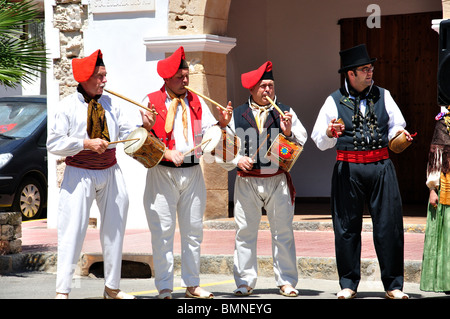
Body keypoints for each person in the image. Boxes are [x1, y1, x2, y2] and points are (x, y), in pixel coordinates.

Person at [47, 49, 154, 299]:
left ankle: (112, 288)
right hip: (79, 173)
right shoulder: (67, 107)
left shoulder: (111, 103)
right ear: (85, 78)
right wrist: (86, 143)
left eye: (105, 75)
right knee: (72, 232)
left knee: (114, 230)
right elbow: (53, 143)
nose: (105, 81)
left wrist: (144, 128)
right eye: (100, 76)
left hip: (110, 171)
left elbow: (128, 135)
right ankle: (62, 291)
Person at [311, 44, 413, 299]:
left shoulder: (383, 95)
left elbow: (396, 126)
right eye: (364, 69)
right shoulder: (333, 101)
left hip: (381, 167)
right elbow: (319, 140)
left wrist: (400, 136)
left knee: (389, 226)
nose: (370, 73)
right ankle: (348, 284)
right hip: (348, 169)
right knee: (346, 227)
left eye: (371, 68)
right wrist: (328, 133)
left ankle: (393, 286)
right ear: (350, 74)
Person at [142, 46, 232, 299]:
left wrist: (222, 124)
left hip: (192, 172)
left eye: (187, 76)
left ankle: (192, 284)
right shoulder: (150, 100)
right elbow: (140, 140)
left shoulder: (197, 101)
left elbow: (209, 134)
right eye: (180, 77)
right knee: (163, 232)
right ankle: (165, 287)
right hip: (163, 172)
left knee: (193, 231)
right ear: (166, 79)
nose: (185, 81)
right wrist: (163, 150)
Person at [226, 61, 307, 297]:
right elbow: (224, 145)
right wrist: (236, 160)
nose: (268, 91)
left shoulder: (284, 110)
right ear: (251, 89)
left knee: (283, 231)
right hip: (247, 181)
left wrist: (289, 131)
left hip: (277, 179)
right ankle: (244, 282)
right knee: (245, 232)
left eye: (271, 85)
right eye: (263, 86)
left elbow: (302, 139)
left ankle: (286, 281)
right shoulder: (238, 114)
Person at [420, 107, 450, 294]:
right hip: (447, 185)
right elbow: (436, 158)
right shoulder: (444, 122)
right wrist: (433, 189)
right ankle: (446, 281)